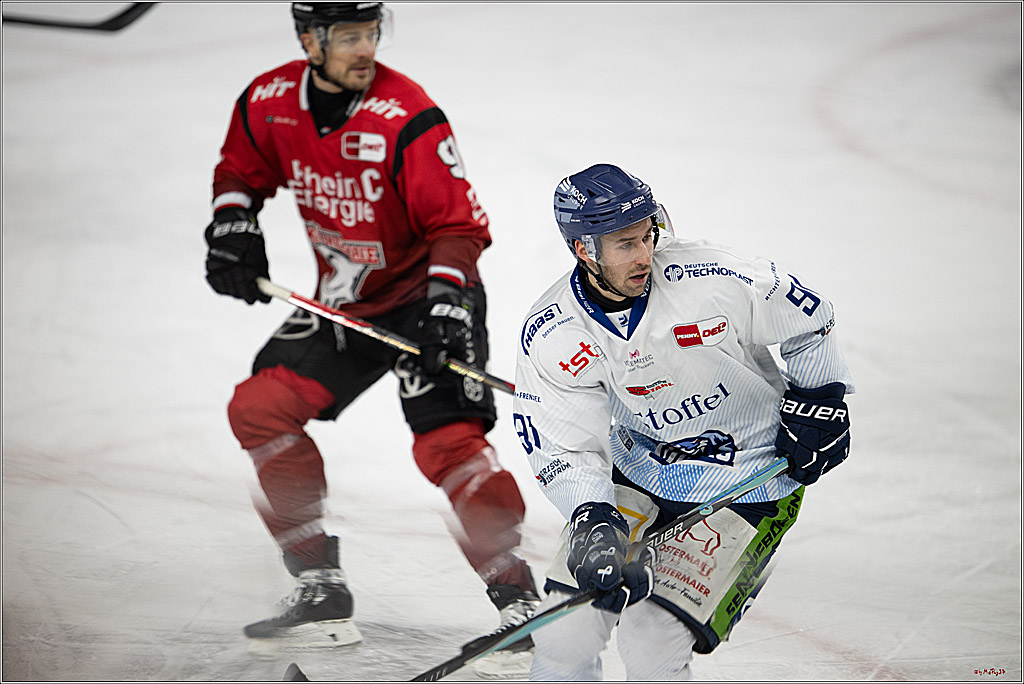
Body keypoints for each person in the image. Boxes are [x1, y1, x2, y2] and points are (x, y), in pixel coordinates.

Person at [203, 2, 539, 665]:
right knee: (259, 409)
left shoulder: (406, 114)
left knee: (448, 444)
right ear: (310, 40)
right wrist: (233, 225)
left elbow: (458, 224)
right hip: (348, 304)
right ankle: (320, 587)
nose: (365, 49)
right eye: (348, 37)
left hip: (429, 298)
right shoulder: (269, 101)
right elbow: (240, 170)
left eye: (371, 33)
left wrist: (447, 306)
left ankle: (521, 603)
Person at [512, 163, 854, 680]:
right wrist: (592, 517)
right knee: (565, 634)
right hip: (638, 471)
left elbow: (811, 318)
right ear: (584, 249)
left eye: (646, 235)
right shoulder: (554, 331)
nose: (644, 254)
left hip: (749, 480)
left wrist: (820, 399)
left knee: (652, 639)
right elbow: (562, 444)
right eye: (625, 244)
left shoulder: (710, 278)